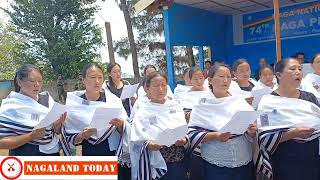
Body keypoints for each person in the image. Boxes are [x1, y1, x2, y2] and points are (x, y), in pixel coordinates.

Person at [188, 63, 256, 180]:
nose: (225, 80)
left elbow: (250, 125)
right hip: (216, 163)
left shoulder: (238, 101)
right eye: (221, 76)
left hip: (244, 159)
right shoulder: (203, 105)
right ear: (209, 80)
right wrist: (216, 135)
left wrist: (251, 131)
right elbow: (192, 133)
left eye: (229, 77)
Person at [256, 58, 320, 180]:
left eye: (300, 69)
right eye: (292, 69)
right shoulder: (267, 102)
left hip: (312, 158)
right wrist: (292, 133)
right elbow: (264, 135)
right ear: (279, 75)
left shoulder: (310, 97)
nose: (298, 72)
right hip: (285, 160)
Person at [61, 63, 129, 158]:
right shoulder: (74, 103)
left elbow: (126, 126)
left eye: (100, 77)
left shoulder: (113, 101)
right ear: (83, 80)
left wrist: (121, 125)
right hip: (89, 150)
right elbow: (68, 134)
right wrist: (82, 135)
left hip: (112, 150)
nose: (97, 81)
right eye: (92, 77)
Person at [130, 72, 188, 180]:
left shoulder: (175, 105)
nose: (160, 89)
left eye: (163, 85)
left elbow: (184, 129)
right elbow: (136, 137)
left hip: (177, 160)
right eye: (156, 86)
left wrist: (183, 139)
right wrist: (148, 143)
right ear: (147, 89)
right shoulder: (143, 110)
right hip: (154, 162)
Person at [0, 64, 66, 155]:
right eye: (32, 81)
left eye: (40, 81)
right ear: (19, 82)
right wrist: (30, 136)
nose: (37, 85)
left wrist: (58, 124)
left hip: (52, 153)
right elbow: (2, 142)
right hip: (25, 155)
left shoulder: (47, 99)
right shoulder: (11, 107)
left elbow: (54, 131)